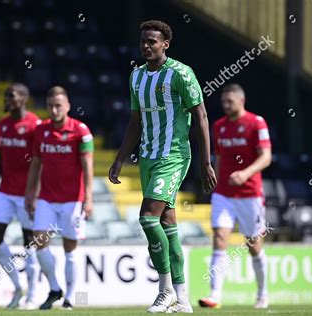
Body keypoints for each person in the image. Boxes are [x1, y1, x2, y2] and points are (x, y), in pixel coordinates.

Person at [108, 20, 217, 313]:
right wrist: (119, 159)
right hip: (147, 157)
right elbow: (135, 122)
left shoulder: (181, 74)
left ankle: (164, 290)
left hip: (173, 156)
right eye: (143, 41)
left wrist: (206, 162)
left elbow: (202, 116)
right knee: (168, 226)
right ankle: (183, 300)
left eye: (152, 41)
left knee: (147, 218)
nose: (146, 46)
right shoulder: (136, 77)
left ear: (165, 44)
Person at [198, 83, 272, 309]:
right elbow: (219, 159)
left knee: (254, 244)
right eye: (223, 102)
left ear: (241, 101)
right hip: (224, 195)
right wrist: (215, 182)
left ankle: (262, 294)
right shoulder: (219, 126)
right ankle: (215, 296)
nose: (226, 106)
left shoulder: (256, 123)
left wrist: (245, 173)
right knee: (219, 238)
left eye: (230, 102)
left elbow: (266, 157)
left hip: (250, 195)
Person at [25, 85, 94, 310]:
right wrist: (30, 193)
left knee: (70, 249)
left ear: (68, 107)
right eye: (50, 106)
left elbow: (88, 165)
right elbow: (36, 163)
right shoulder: (41, 130)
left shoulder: (81, 131)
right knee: (38, 242)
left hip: (73, 200)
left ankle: (70, 297)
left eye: (58, 106)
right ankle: (55, 288)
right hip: (46, 197)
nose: (54, 110)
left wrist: (89, 197)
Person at [0, 83, 40, 309]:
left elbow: (40, 162)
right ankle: (17, 287)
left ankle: (33, 294)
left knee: (30, 244)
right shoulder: (2, 126)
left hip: (27, 194)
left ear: (24, 99)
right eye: (6, 95)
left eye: (12, 95)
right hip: (5, 193)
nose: (7, 99)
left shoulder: (35, 125)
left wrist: (34, 194)